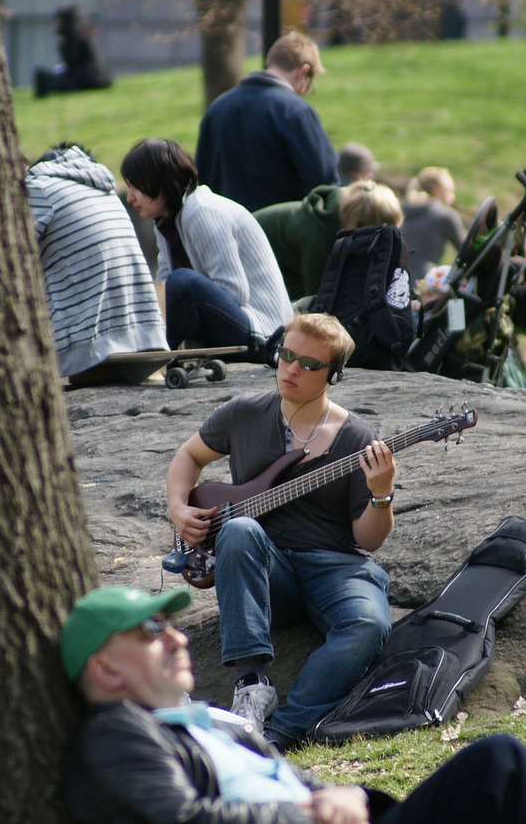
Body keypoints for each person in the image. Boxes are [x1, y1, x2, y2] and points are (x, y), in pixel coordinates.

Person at [59, 584, 526, 824]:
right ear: (105, 670)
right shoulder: (119, 733)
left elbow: (301, 784)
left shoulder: (213, 722)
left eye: (172, 625)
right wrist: (304, 814)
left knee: (497, 765)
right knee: (499, 763)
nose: (176, 639)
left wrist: (357, 800)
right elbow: (178, 820)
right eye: (151, 630)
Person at [166, 313, 394, 752]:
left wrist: (381, 495)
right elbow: (189, 456)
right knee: (239, 530)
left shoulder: (357, 438)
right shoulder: (245, 412)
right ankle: (252, 685)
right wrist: (179, 508)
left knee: (368, 624)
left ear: (334, 375)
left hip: (336, 568)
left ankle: (282, 730)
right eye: (286, 355)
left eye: (309, 364)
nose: (291, 369)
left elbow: (367, 540)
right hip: (265, 570)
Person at [121, 138, 293, 361]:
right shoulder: (166, 220)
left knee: (183, 282)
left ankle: (156, 360)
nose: (130, 197)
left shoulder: (202, 211)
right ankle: (151, 354)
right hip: (239, 324)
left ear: (160, 181)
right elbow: (163, 286)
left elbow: (234, 291)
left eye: (136, 186)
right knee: (165, 288)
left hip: (265, 334)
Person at [25, 143, 167, 378]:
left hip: (89, 348)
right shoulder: (102, 187)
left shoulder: (38, 187)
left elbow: (3, 258)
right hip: (145, 337)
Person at [195, 31, 338, 212]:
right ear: (304, 71)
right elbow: (325, 183)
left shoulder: (218, 108)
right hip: (280, 234)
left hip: (225, 231)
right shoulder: (295, 111)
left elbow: (202, 178)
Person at [255, 181, 405, 301]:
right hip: (255, 262)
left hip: (285, 263)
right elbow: (318, 297)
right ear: (361, 224)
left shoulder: (338, 217)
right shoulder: (317, 237)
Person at [34, 5, 112, 99]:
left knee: (45, 78)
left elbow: (72, 64)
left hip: (89, 78)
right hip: (97, 77)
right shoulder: (84, 32)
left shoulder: (74, 36)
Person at [401, 167, 466, 279]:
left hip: (395, 281)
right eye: (450, 191)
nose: (453, 197)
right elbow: (467, 251)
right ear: (436, 190)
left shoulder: (400, 211)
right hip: (425, 283)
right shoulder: (445, 215)